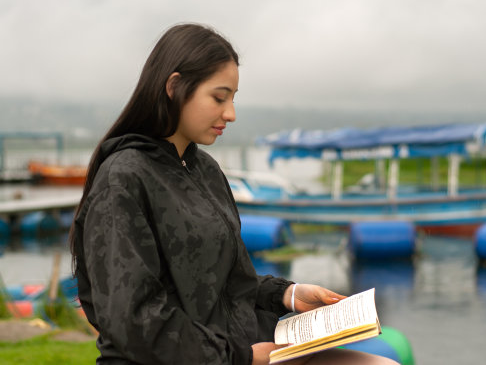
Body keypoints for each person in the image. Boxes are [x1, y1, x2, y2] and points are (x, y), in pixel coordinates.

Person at [69, 23, 398, 365]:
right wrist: (241, 357)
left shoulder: (206, 170)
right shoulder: (123, 177)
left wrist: (288, 294)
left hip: (243, 349)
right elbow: (132, 318)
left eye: (233, 99)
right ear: (174, 86)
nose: (231, 113)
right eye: (219, 97)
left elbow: (224, 281)